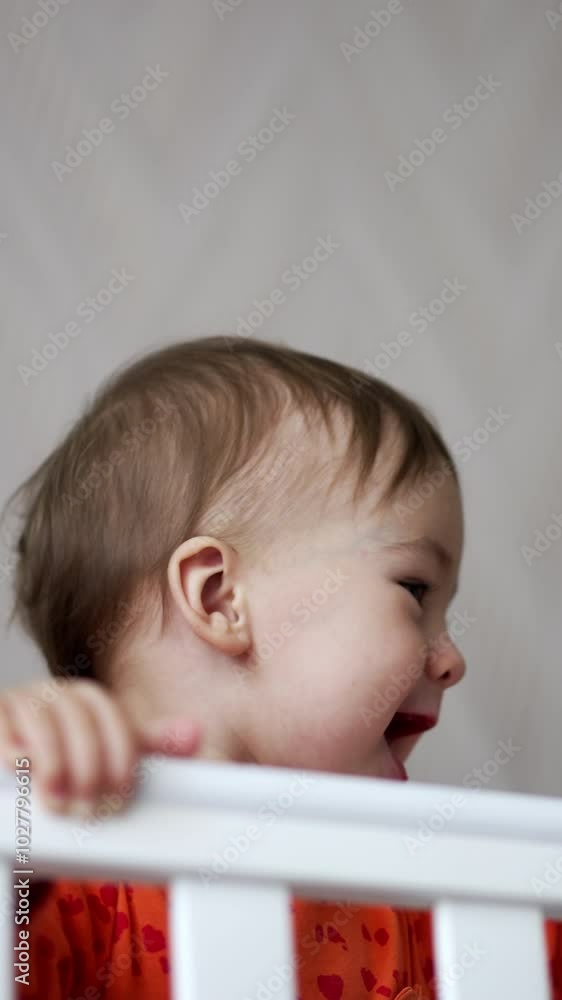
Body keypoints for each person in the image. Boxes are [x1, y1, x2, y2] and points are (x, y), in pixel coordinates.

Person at [1, 336, 560, 999]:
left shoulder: (435, 895)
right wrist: (22, 787)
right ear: (219, 599)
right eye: (414, 591)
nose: (452, 660)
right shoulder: (72, 865)